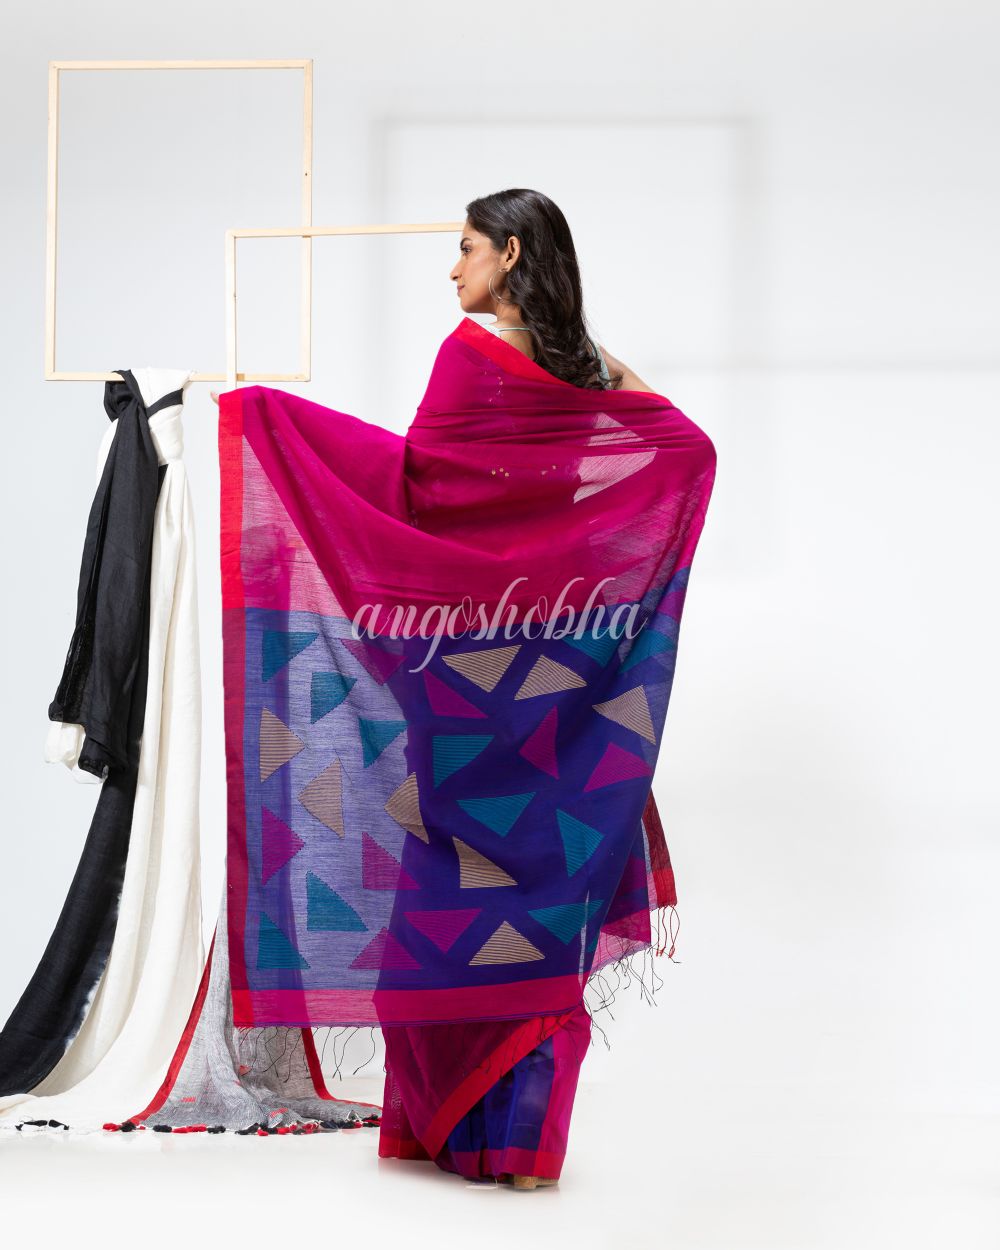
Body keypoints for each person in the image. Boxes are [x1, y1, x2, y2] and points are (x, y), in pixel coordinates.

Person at [212, 188, 713, 1190]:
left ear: (511, 252)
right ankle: (513, 1147)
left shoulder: (469, 357)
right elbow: (679, 449)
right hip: (556, 671)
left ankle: (459, 1133)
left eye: (468, 246)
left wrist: (270, 417)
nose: (453, 267)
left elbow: (415, 493)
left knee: (444, 898)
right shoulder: (582, 367)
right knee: (543, 892)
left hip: (460, 667)